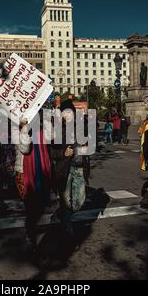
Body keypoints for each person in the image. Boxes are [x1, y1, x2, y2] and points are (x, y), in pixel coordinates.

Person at [49, 100, 89, 237]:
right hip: (64, 169)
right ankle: (67, 225)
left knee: (79, 201)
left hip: (79, 168)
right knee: (66, 201)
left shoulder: (82, 128)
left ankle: (62, 215)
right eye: (65, 113)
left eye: (70, 112)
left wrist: (85, 149)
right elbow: (50, 152)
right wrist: (63, 153)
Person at [14, 116, 52, 253]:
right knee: (30, 207)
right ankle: (31, 237)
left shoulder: (41, 130)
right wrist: (24, 128)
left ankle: (31, 230)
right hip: (24, 173)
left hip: (41, 172)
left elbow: (52, 138)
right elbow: (25, 148)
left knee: (40, 206)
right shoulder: (18, 131)